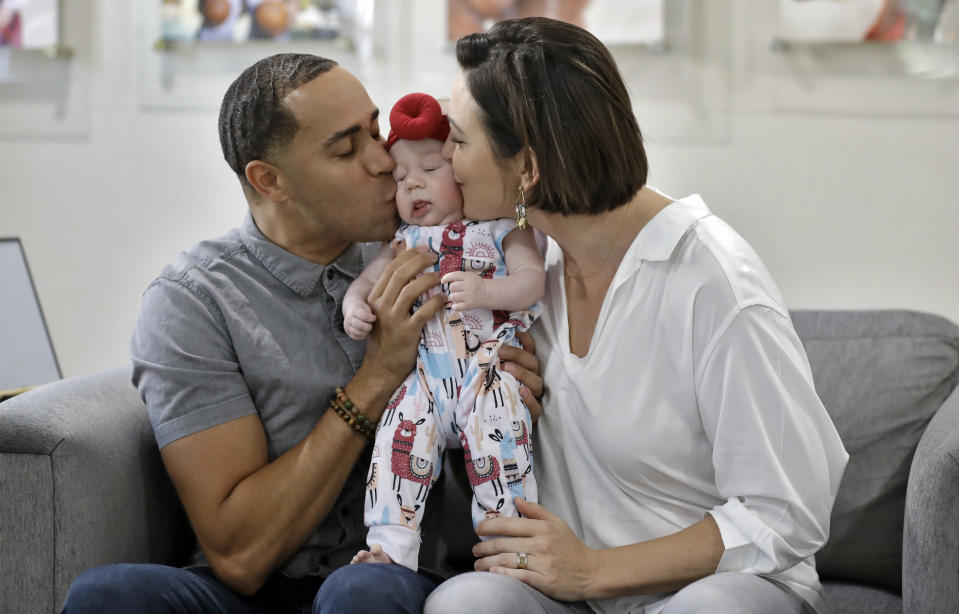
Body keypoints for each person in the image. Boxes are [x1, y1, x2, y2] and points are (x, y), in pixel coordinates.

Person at [59, 53, 545, 614]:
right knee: (107, 597)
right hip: (252, 591)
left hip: (388, 576)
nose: (384, 164)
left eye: (374, 131)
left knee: (359, 592)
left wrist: (502, 387)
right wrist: (378, 374)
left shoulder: (436, 249)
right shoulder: (193, 302)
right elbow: (239, 557)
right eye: (345, 149)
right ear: (270, 181)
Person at [423, 17, 849, 614]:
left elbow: (786, 512)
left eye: (459, 140)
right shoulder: (519, 272)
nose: (444, 157)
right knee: (465, 603)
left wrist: (594, 572)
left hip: (717, 592)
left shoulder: (714, 284)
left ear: (528, 169)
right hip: (575, 598)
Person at [343, 92, 544, 571]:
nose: (412, 184)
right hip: (427, 381)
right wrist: (355, 306)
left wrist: (486, 293)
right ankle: (390, 545)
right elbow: (365, 283)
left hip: (487, 369)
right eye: (399, 178)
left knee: (500, 437)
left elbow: (532, 280)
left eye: (430, 169)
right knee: (397, 435)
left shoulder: (500, 228)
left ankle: (507, 538)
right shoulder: (402, 241)